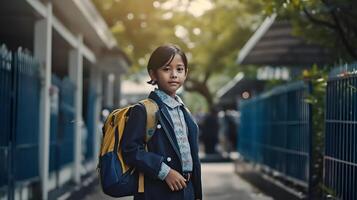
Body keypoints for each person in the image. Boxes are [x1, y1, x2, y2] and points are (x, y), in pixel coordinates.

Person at [121, 44, 202, 200]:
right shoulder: (144, 109)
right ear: (153, 74)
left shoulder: (185, 111)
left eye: (179, 69)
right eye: (166, 69)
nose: (174, 75)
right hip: (158, 191)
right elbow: (130, 150)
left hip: (187, 191)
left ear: (186, 73)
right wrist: (165, 172)